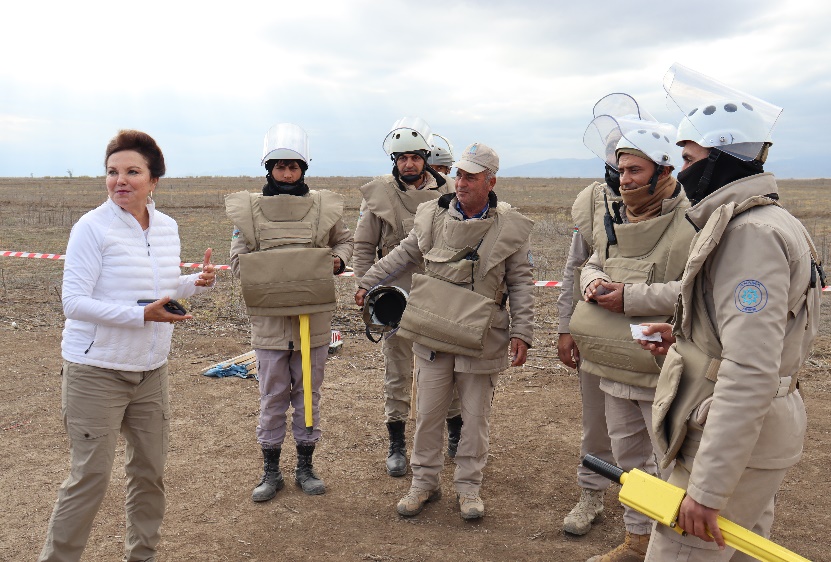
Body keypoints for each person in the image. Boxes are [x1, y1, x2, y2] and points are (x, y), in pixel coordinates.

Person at [634, 64, 822, 562]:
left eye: (690, 157)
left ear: (718, 159)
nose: (684, 169)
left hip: (728, 439)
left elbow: (752, 369)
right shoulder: (765, 221)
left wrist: (708, 489)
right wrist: (685, 342)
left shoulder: (750, 235)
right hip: (747, 435)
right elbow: (752, 341)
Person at [39, 129, 216, 562]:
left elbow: (156, 286)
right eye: (113, 171)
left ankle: (142, 556)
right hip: (96, 370)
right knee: (90, 479)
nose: (120, 180)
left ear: (154, 180)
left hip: (151, 370)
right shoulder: (91, 228)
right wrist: (141, 315)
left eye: (132, 171)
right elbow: (73, 303)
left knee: (149, 473)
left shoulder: (168, 227)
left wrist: (193, 283)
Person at [356, 142, 534, 520]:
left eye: (471, 176)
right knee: (429, 413)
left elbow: (521, 282)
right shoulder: (431, 217)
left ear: (491, 181)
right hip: (434, 333)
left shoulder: (511, 226)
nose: (461, 182)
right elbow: (402, 254)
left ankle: (469, 488)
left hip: (483, 337)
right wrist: (366, 283)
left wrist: (523, 333)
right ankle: (424, 483)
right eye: (459, 174)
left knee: (474, 418)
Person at [570, 108, 695, 562]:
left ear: (664, 170)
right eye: (621, 169)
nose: (623, 178)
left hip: (666, 364)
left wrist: (629, 297)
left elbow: (695, 291)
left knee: (671, 464)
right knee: (630, 463)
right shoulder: (614, 217)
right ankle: (637, 541)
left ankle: (671, 547)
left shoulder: (695, 222)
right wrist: (591, 284)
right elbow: (593, 261)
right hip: (615, 362)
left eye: (634, 169)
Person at [226, 123, 353, 501]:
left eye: (293, 167)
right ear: (270, 169)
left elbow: (344, 240)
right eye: (280, 166)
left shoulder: (324, 208)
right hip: (269, 324)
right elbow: (237, 260)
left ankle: (305, 467)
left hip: (312, 322)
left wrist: (337, 261)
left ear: (303, 170)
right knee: (273, 394)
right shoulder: (249, 211)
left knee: (308, 397)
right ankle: (270, 471)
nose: (286, 173)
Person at [352, 117, 461, 477]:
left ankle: (456, 434)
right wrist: (365, 288)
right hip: (391, 290)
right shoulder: (379, 195)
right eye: (402, 158)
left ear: (426, 158)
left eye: (415, 157)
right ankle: (397, 441)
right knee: (397, 368)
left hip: (439, 290)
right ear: (394, 161)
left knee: (446, 366)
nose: (408, 164)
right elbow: (365, 245)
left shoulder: (450, 190)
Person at [558, 94, 646, 537]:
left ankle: (647, 515)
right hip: (596, 332)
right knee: (597, 422)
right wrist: (563, 329)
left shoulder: (678, 204)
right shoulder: (592, 203)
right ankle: (591, 492)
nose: (624, 171)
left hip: (648, 332)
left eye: (635, 163)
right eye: (619, 159)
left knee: (651, 431)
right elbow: (575, 268)